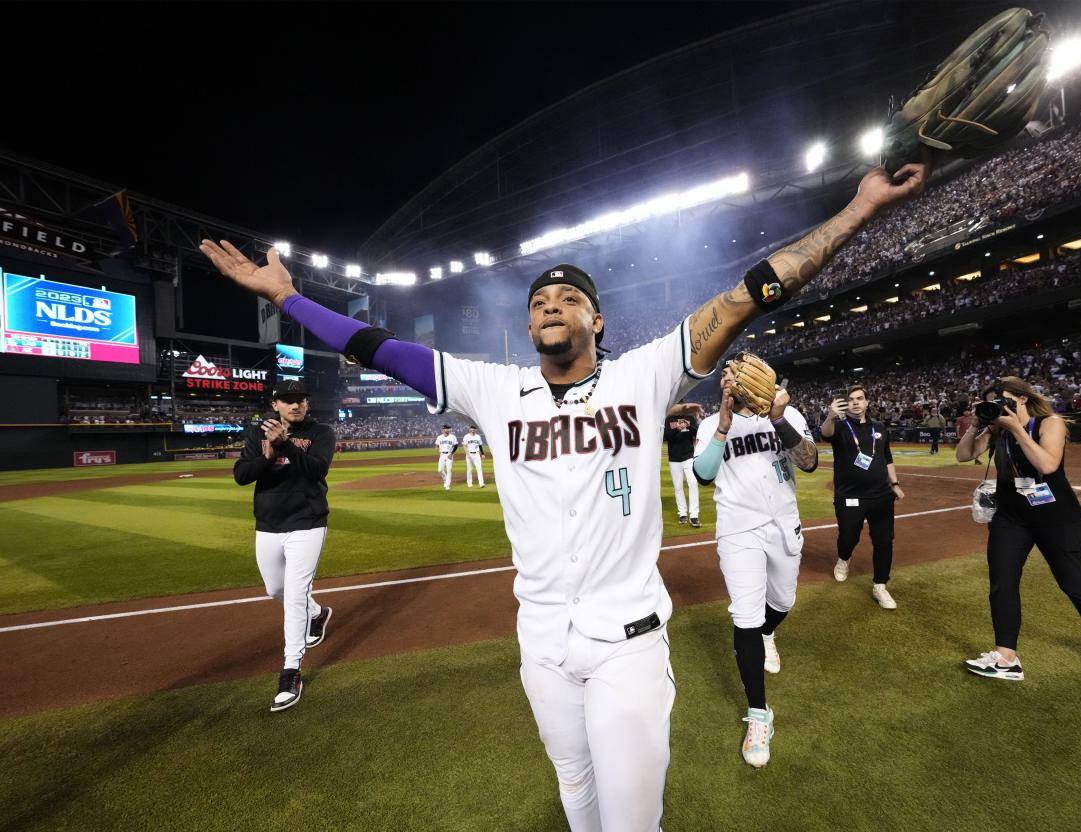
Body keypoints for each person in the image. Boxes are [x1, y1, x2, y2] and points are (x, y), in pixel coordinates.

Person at [200, 156, 926, 831]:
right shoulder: (492, 390)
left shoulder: (642, 376)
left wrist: (859, 208)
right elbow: (376, 347)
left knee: (632, 816)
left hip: (628, 642)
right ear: (527, 323)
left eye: (570, 297)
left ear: (596, 321)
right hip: (541, 640)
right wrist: (289, 299)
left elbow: (747, 296)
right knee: (574, 786)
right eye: (541, 299)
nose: (553, 305)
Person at [693, 361, 817, 767]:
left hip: (782, 523)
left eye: (737, 373)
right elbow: (704, 474)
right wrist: (723, 425)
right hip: (738, 528)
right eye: (726, 375)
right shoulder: (711, 423)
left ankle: (768, 633)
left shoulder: (787, 413)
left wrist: (778, 418)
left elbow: (809, 460)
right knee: (745, 617)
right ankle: (759, 715)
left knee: (783, 602)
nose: (731, 379)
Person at [955, 376, 1081, 681]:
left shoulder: (1049, 423)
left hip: (1057, 518)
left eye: (1003, 401)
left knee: (1074, 583)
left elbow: (1047, 465)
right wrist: (979, 424)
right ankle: (1006, 658)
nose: (999, 408)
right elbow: (964, 455)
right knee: (1002, 582)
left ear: (1023, 399)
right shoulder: (996, 429)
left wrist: (1016, 428)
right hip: (1011, 518)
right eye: (993, 403)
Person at [232, 380, 336, 712]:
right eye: (287, 401)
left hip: (308, 523)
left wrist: (287, 445)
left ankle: (291, 671)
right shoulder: (257, 432)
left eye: (300, 400)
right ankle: (318, 612)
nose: (295, 405)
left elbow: (317, 470)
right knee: (275, 590)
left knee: (293, 597)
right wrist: (268, 455)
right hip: (269, 524)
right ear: (275, 404)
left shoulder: (321, 433)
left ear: (307, 404)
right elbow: (242, 475)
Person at [820, 385, 905, 609]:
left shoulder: (879, 428)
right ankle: (844, 558)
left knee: (884, 541)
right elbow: (825, 433)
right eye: (851, 399)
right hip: (850, 495)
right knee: (849, 536)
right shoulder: (839, 426)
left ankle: (880, 585)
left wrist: (894, 484)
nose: (856, 402)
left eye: (860, 399)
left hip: (881, 495)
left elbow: (887, 457)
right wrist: (830, 416)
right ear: (846, 404)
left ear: (867, 402)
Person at [664, 411, 703, 527]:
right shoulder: (669, 419)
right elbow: (665, 437)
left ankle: (694, 515)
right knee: (678, 487)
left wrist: (689, 426)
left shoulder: (689, 417)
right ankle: (682, 514)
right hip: (674, 458)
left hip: (688, 457)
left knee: (693, 483)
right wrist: (677, 428)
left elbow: (698, 433)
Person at [435, 424, 458, 490]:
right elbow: (436, 445)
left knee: (449, 470)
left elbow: (456, 446)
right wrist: (438, 449)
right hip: (442, 455)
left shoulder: (453, 437)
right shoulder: (439, 437)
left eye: (448, 428)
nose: (447, 430)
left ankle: (447, 485)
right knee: (440, 470)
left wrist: (452, 453)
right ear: (443, 430)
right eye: (445, 428)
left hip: (449, 454)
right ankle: (445, 480)